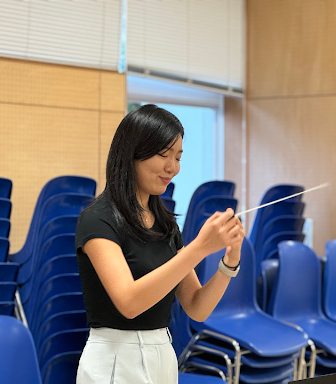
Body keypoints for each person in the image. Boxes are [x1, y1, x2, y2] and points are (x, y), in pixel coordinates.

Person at [75, 104, 245, 384]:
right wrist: (199, 248)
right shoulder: (97, 220)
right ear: (132, 154)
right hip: (114, 360)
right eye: (164, 154)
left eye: (178, 157)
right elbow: (129, 303)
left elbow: (196, 307)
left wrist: (230, 261)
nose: (173, 168)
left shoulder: (166, 225)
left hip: (163, 355)